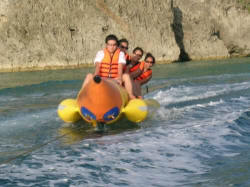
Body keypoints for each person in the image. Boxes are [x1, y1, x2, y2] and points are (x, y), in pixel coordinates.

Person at [81, 34, 136, 99]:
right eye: (110, 45)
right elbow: (97, 65)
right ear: (106, 45)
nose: (112, 47)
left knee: (126, 76)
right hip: (102, 79)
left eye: (114, 45)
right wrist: (96, 76)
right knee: (89, 76)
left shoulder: (120, 54)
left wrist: (120, 78)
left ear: (116, 45)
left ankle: (130, 95)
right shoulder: (101, 53)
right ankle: (82, 95)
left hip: (114, 80)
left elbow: (120, 66)